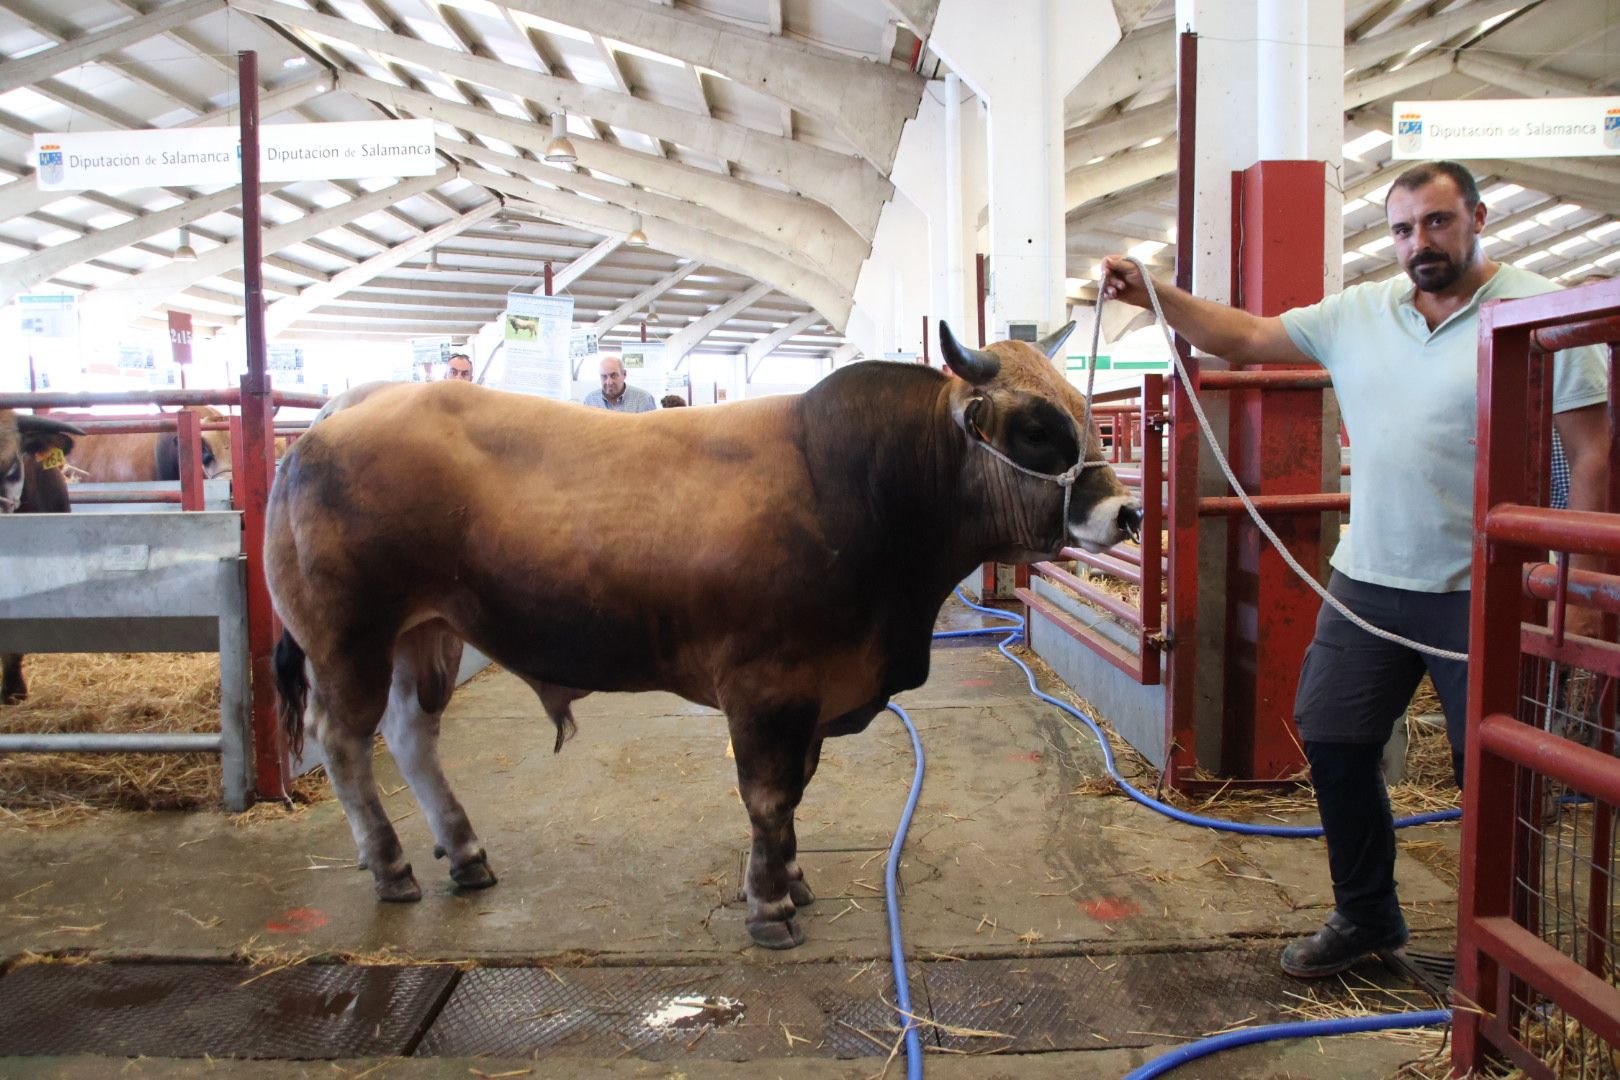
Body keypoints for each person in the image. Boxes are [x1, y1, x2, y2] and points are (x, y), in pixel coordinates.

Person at [1100, 160, 1610, 979]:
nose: (1420, 243)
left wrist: (1581, 588)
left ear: (1478, 218)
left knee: (1499, 774)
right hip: (1369, 580)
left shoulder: (1536, 306)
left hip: (1484, 588)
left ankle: (1518, 954)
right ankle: (1367, 915)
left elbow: (1591, 453)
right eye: (1404, 228)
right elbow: (1246, 336)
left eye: (1438, 222)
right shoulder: (1361, 313)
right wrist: (1154, 293)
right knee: (1334, 741)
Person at [583, 355, 657, 413]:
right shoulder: (590, 401)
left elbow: (653, 430)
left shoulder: (644, 399)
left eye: (613, 375)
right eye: (604, 377)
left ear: (624, 374)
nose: (609, 382)